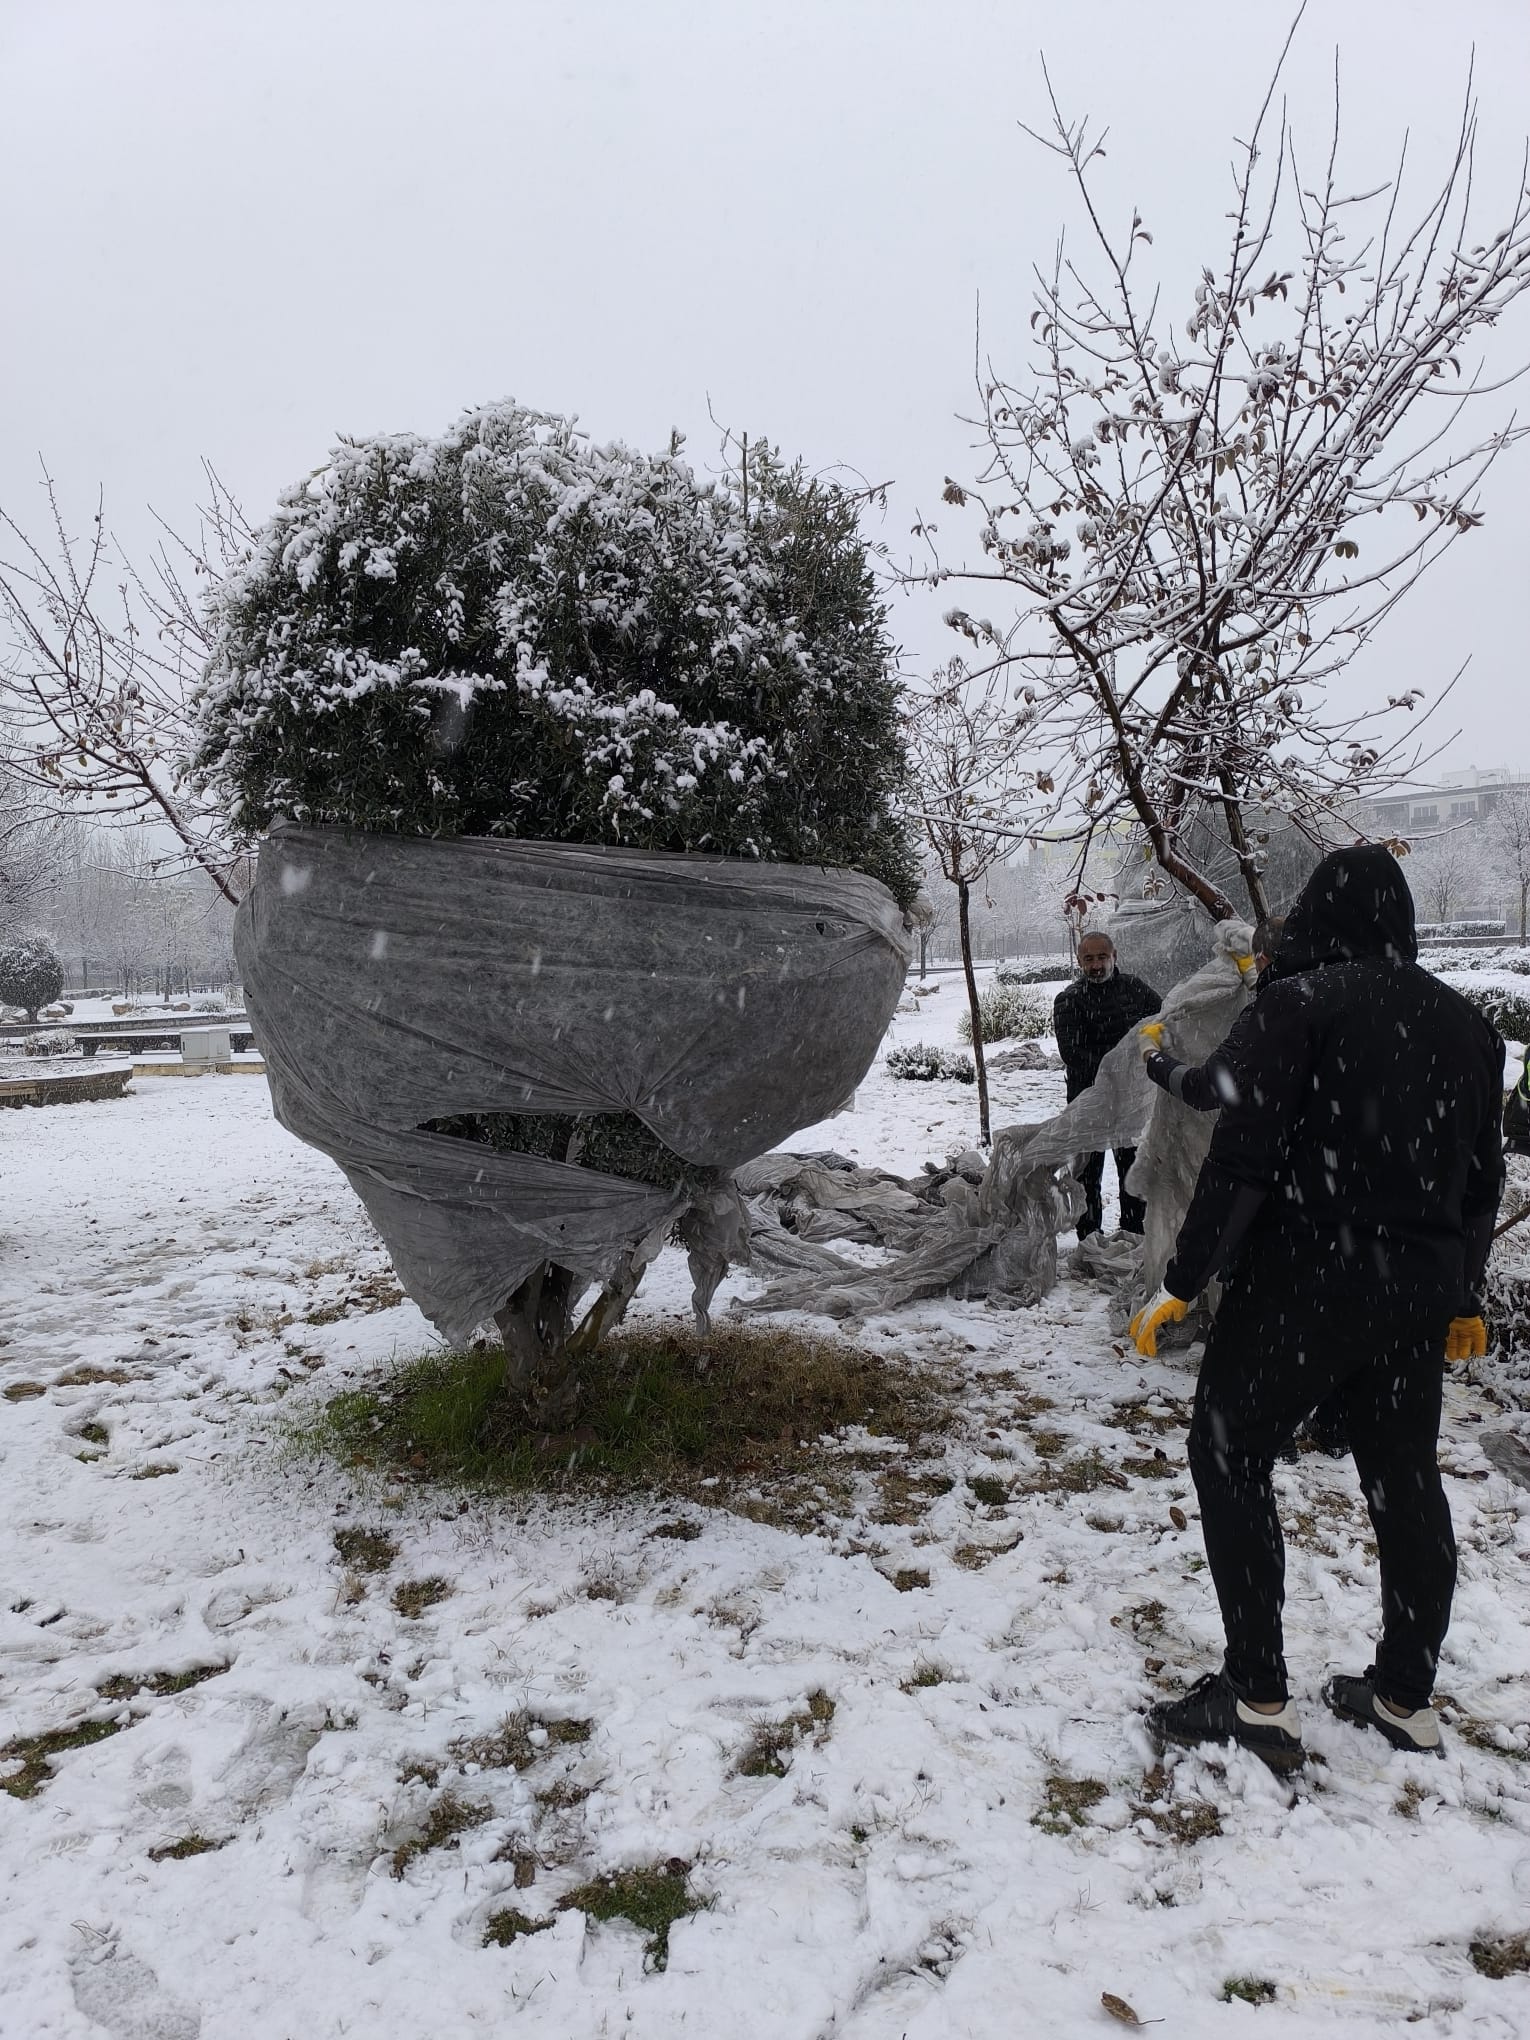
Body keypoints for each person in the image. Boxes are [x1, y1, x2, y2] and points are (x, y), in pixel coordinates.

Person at [1126, 845, 1504, 1771]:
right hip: (1411, 1296)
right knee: (1405, 1479)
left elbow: (1242, 1156)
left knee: (1229, 1450)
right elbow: (1480, 1182)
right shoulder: (1469, 1028)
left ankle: (1256, 1695)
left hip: (1305, 1282)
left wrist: (1181, 1281)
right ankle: (1405, 1694)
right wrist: (1461, 1296)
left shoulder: (1297, 1005)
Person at [1052, 933, 1160, 1238]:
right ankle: (1090, 1240)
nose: (1097, 965)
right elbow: (1073, 1054)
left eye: (1102, 957)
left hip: (1131, 1103)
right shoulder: (1068, 1000)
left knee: (1133, 1174)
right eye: (1089, 959)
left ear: (1114, 956)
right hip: (1088, 1102)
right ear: (1079, 961)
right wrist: (1123, 1061)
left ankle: (1133, 1235)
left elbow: (1161, 1022)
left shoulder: (1135, 990)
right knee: (1086, 1176)